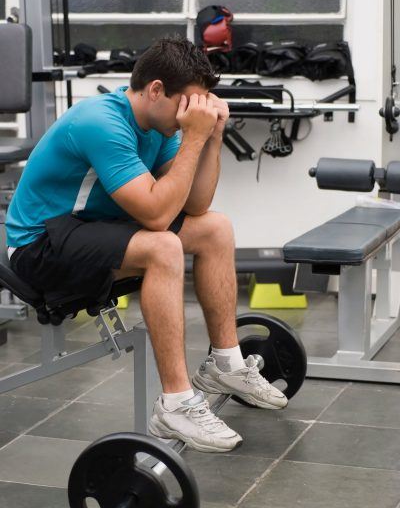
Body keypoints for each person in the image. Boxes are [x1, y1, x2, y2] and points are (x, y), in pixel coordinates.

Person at [6, 37, 288, 453]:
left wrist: (211, 138)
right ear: (156, 90)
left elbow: (195, 202)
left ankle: (225, 364)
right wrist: (194, 138)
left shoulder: (160, 123)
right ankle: (175, 402)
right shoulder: (101, 122)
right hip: (41, 244)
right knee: (163, 248)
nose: (192, 115)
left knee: (215, 228)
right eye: (188, 104)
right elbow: (157, 217)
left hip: (91, 230)